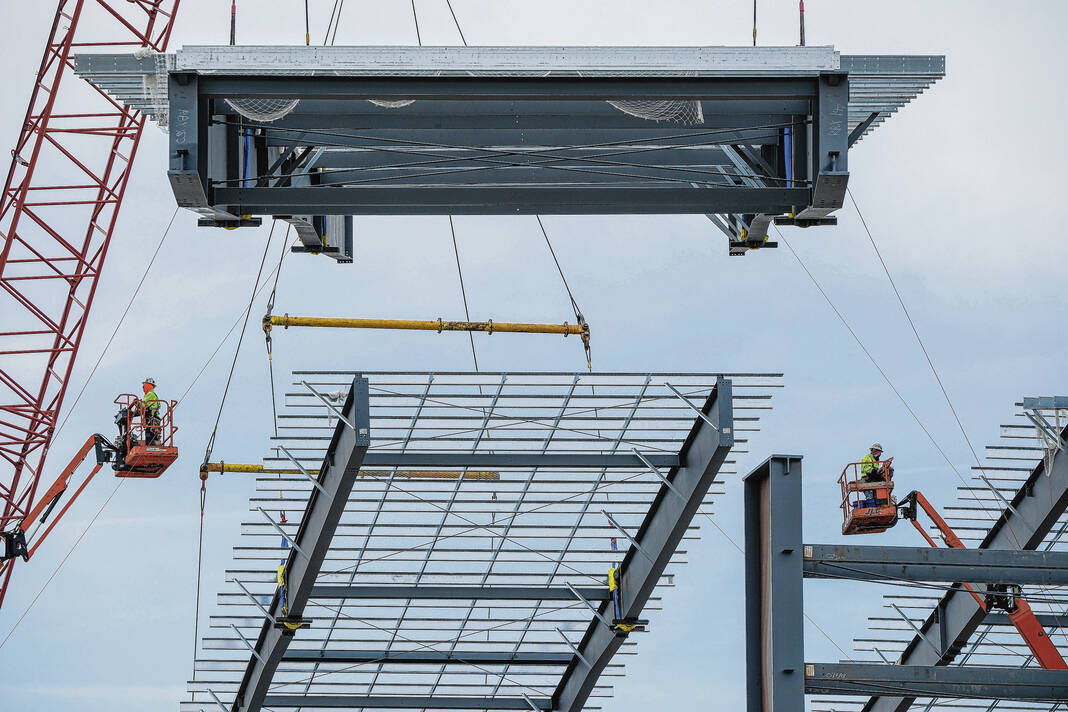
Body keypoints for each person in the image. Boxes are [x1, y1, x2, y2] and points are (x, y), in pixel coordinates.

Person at [141, 377, 162, 446]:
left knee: (149, 436)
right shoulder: (151, 394)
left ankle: (153, 444)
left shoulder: (150, 394)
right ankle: (154, 444)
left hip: (152, 419)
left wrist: (137, 404)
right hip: (152, 419)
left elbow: (143, 405)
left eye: (144, 386)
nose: (143, 388)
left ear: (148, 385)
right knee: (150, 436)